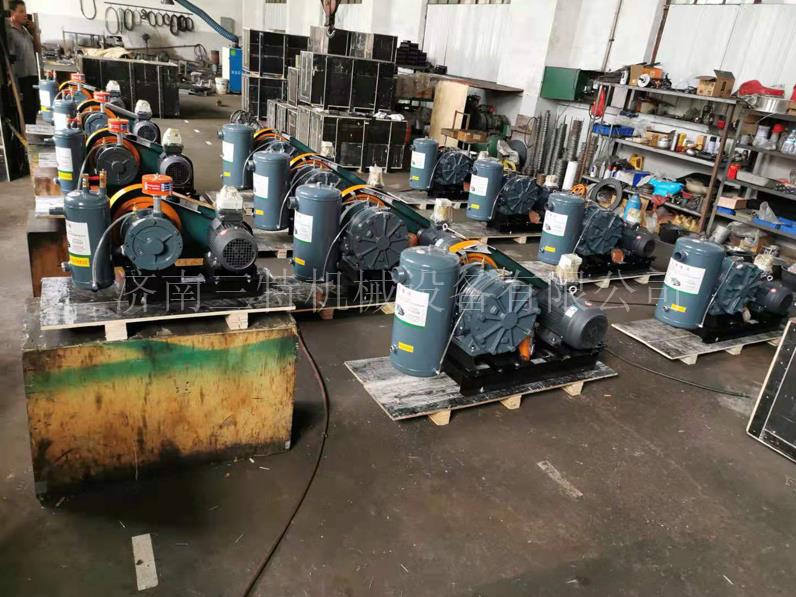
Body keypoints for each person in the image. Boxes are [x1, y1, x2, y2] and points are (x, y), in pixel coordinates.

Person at [5, 0, 40, 124]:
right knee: (24, 112)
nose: (25, 14)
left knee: (33, 109)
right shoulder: (8, 30)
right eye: (21, 11)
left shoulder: (25, 29)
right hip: (20, 78)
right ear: (12, 13)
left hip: (32, 74)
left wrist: (34, 31)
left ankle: (29, 132)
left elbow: (38, 49)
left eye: (25, 11)